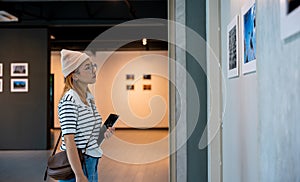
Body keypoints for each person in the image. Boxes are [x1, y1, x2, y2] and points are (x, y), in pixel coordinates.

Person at [58, 49, 114, 182]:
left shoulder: (89, 99)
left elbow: (88, 137)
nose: (94, 70)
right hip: (77, 165)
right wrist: (79, 175)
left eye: (93, 66)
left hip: (91, 162)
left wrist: (103, 133)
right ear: (75, 76)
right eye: (87, 67)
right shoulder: (69, 101)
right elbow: (69, 141)